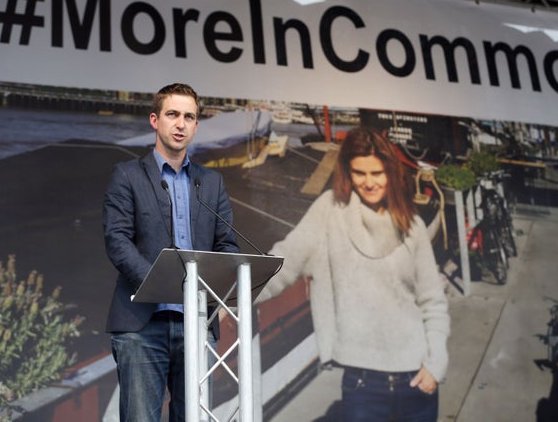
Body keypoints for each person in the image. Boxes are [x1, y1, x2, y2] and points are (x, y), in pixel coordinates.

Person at [257, 126, 450, 422]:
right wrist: (227, 292)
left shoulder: (412, 226)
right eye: (360, 173)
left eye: (378, 173)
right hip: (362, 385)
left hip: (417, 379)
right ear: (347, 172)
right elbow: (286, 260)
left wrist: (435, 366)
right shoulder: (329, 211)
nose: (369, 183)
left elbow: (432, 302)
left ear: (391, 172)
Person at [103, 82, 240, 422]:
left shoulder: (211, 183)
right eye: (173, 114)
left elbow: (227, 245)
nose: (181, 124)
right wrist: (159, 284)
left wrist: (213, 289)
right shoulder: (127, 176)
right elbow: (117, 241)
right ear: (155, 120)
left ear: (196, 126)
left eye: (189, 117)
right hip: (142, 326)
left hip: (197, 323)